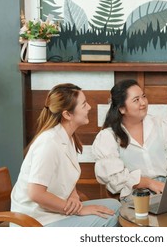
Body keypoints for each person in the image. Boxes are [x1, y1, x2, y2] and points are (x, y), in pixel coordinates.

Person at [11, 83, 120, 227]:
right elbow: (35, 193)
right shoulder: (48, 144)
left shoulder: (67, 137)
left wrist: (73, 194)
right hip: (36, 221)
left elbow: (65, 177)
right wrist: (80, 211)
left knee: (115, 206)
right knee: (109, 218)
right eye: (84, 104)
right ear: (67, 114)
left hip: (53, 212)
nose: (89, 107)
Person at [92, 79, 167, 200]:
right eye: (136, 100)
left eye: (143, 96)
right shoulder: (108, 137)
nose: (143, 103)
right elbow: (114, 179)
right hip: (136, 193)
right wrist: (148, 183)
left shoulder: (161, 125)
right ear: (122, 108)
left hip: (166, 186)